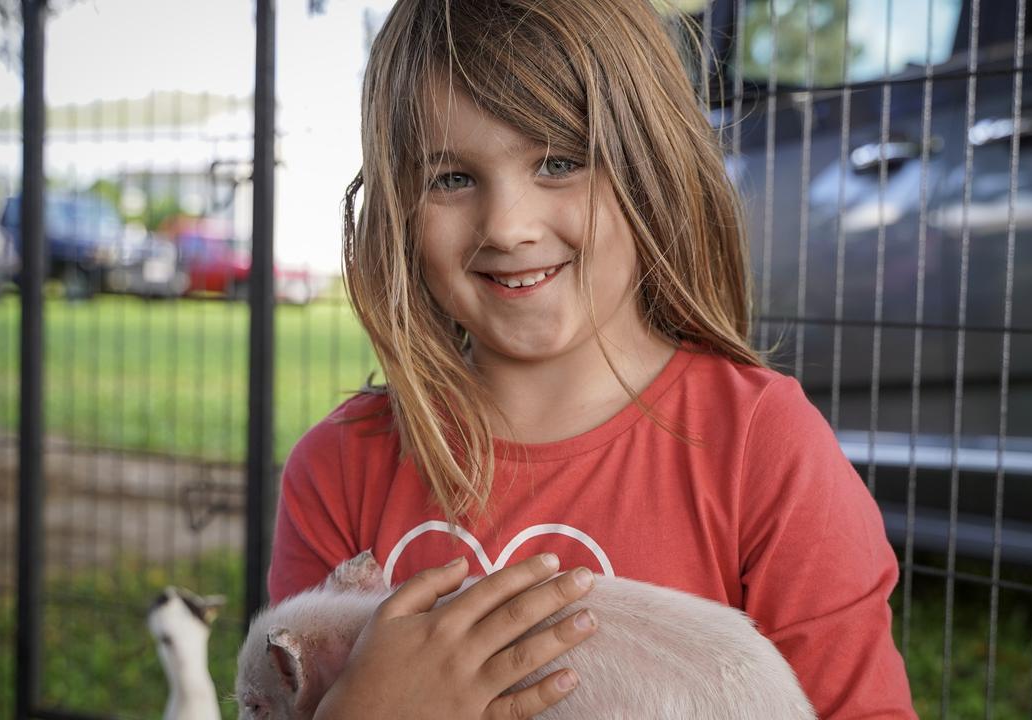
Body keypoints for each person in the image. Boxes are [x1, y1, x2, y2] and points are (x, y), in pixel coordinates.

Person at [266, 0, 916, 717]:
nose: (509, 227)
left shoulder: (763, 449)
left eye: (559, 162)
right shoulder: (339, 470)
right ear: (397, 206)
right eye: (451, 178)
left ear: (653, 166)